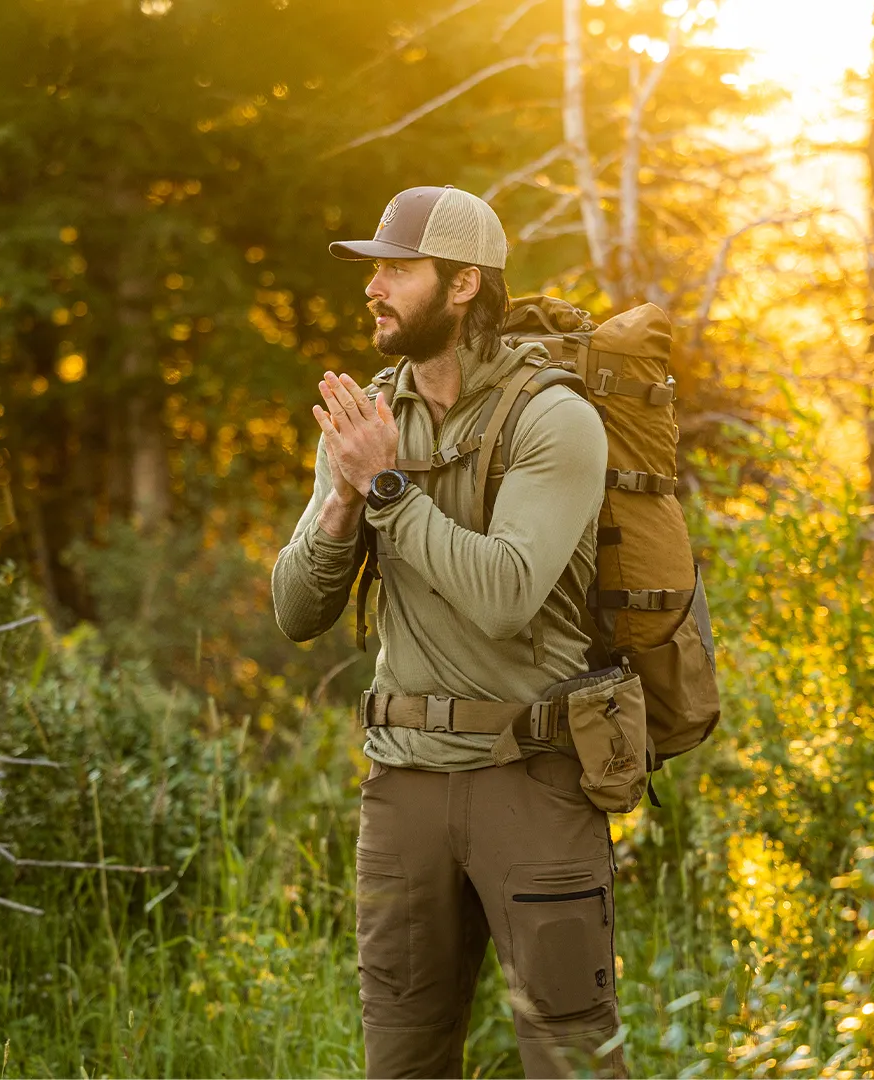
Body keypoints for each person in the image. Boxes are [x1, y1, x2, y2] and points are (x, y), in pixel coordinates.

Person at [272, 185, 624, 1079]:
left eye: (397, 269)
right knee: (401, 1063)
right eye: (374, 269)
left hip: (533, 782)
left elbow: (506, 593)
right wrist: (345, 503)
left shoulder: (555, 419)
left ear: (465, 284)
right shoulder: (369, 421)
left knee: (571, 1060)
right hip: (402, 794)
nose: (373, 288)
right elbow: (295, 613)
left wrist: (388, 490)